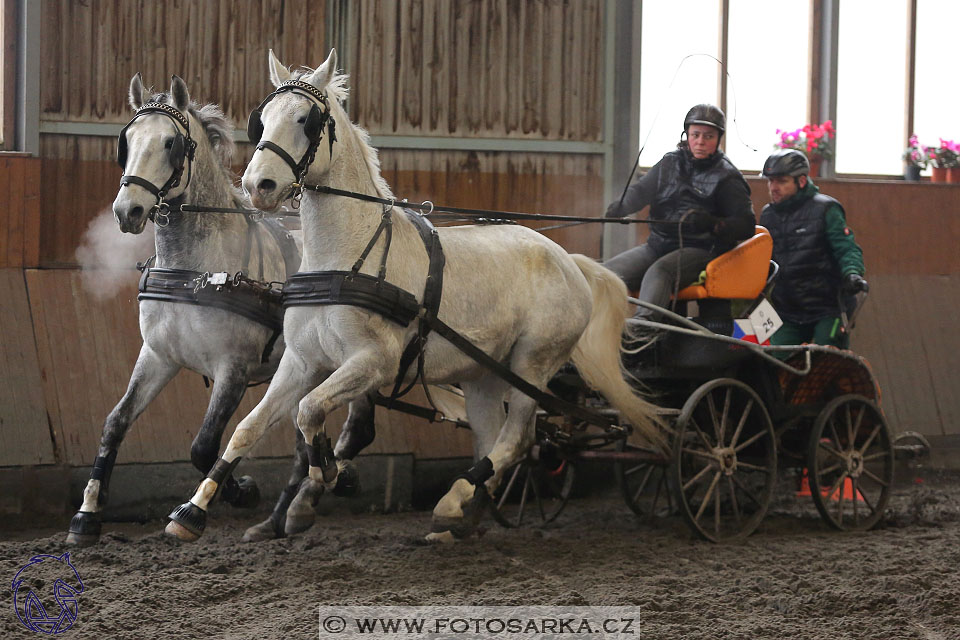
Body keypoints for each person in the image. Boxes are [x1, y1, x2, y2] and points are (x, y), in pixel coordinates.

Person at [604, 104, 756, 323]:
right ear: (687, 135)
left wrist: (712, 224)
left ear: (718, 139)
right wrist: (622, 206)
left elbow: (746, 225)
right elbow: (641, 191)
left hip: (701, 249)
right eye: (695, 135)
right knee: (604, 274)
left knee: (659, 272)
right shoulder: (668, 163)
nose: (700, 141)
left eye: (708, 136)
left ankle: (641, 330)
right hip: (658, 245)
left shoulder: (728, 177)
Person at [759, 149, 868, 349]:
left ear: (801, 181)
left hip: (828, 307)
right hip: (787, 309)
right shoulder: (768, 215)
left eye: (781, 181)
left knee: (827, 358)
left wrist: (852, 272)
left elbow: (846, 247)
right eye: (770, 181)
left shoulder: (826, 209)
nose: (773, 187)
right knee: (777, 360)